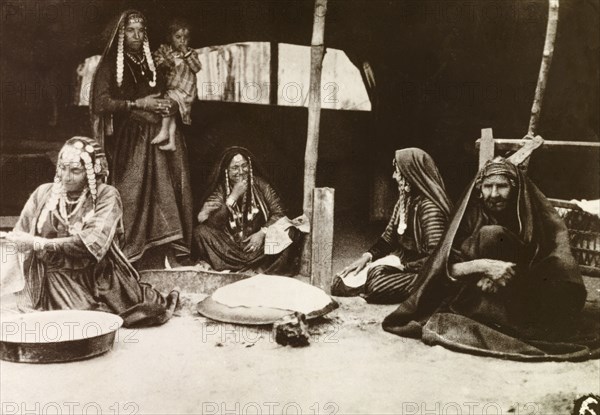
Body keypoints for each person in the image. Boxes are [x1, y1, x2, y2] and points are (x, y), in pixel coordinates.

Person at [383, 157, 598, 360]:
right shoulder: (469, 217)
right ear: (479, 189)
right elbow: (441, 269)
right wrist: (484, 266)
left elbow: (558, 263)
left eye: (502, 186)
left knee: (495, 237)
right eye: (488, 186)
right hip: (479, 292)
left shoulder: (532, 216)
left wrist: (510, 272)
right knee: (491, 235)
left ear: (515, 188)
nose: (494, 193)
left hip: (524, 292)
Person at [4, 137, 179, 327]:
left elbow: (90, 244)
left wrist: (38, 243)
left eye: (75, 171)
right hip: (49, 276)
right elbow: (20, 235)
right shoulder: (43, 193)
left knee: (87, 322)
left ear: (91, 172)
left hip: (94, 275)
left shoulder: (107, 195)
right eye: (62, 167)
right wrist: (14, 241)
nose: (66, 176)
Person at [90, 10, 193, 265]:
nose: (136, 36)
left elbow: (166, 90)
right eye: (130, 31)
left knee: (167, 194)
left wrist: (168, 105)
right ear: (121, 34)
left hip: (161, 136)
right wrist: (139, 103)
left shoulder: (150, 62)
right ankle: (129, 255)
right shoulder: (109, 65)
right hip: (132, 139)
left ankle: (163, 254)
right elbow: (101, 103)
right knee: (132, 194)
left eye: (140, 31)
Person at [332, 148, 451, 303]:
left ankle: (430, 290)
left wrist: (403, 266)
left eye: (397, 171)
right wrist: (367, 257)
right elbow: (388, 238)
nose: (394, 176)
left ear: (411, 174)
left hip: (424, 270)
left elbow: (436, 258)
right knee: (340, 282)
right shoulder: (405, 200)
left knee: (376, 285)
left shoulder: (430, 208)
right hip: (402, 262)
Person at [193, 147, 301, 275]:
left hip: (260, 247)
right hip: (231, 249)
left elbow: (279, 212)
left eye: (244, 166)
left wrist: (262, 233)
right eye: (235, 168)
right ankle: (245, 269)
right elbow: (214, 224)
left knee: (290, 230)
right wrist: (233, 196)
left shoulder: (261, 185)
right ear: (226, 170)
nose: (241, 171)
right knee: (200, 232)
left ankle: (262, 269)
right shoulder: (220, 190)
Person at [151, 18, 202, 151]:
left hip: (185, 91)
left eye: (186, 37)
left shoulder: (191, 53)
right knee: (172, 115)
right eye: (178, 37)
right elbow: (157, 63)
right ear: (170, 37)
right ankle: (172, 142)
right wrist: (168, 61)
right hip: (172, 89)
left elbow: (197, 68)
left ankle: (164, 131)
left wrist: (186, 53)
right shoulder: (164, 50)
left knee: (169, 104)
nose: (182, 41)